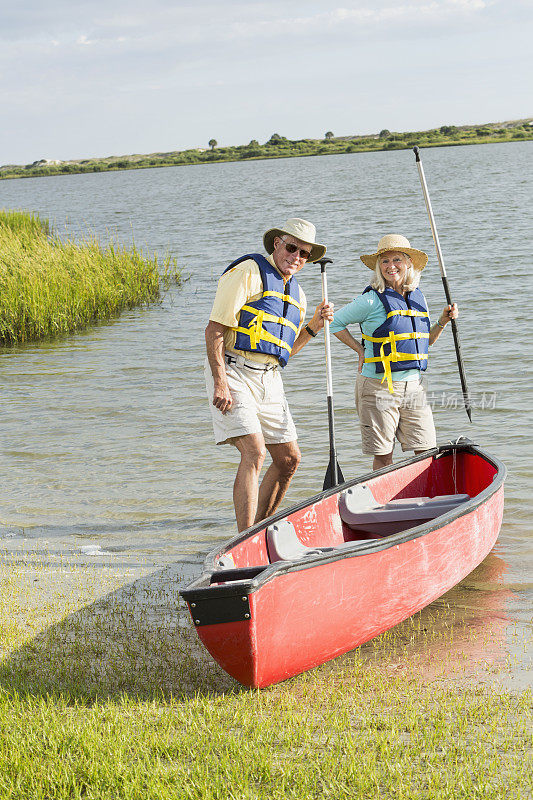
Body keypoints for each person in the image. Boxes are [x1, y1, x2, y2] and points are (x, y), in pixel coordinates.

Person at [205, 218, 334, 531]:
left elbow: (285, 351)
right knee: (254, 451)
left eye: (304, 254)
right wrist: (220, 381)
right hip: (233, 369)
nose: (297, 257)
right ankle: (242, 541)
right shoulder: (248, 271)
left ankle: (257, 533)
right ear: (277, 243)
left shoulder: (298, 296)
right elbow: (215, 329)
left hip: (270, 377)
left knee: (289, 460)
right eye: (292, 248)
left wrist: (314, 327)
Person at [330, 234, 458, 471]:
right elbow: (334, 322)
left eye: (396, 259)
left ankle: (424, 502)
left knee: (427, 451)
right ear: (379, 266)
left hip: (414, 387)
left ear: (409, 263)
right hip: (378, 385)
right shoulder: (371, 300)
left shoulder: (418, 298)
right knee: (384, 457)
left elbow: (422, 343)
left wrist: (442, 321)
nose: (391, 266)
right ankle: (384, 505)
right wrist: (360, 350)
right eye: (385, 261)